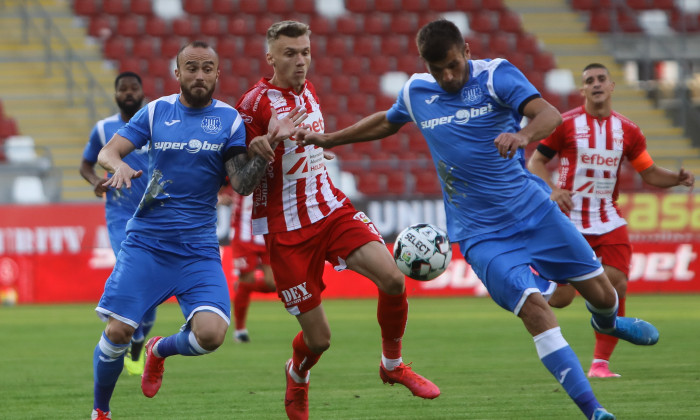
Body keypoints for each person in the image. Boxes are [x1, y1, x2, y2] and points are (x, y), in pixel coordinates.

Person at [296, 20, 661, 420]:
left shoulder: (495, 75)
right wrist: (331, 139)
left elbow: (549, 114)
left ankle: (607, 324)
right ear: (426, 65)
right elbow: (388, 120)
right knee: (536, 311)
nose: (448, 76)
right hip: (481, 235)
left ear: (466, 50)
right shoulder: (417, 91)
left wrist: (522, 136)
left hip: (534, 212)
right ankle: (594, 410)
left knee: (605, 296)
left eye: (453, 65)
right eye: (438, 70)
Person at [89, 40, 305, 420]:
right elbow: (109, 151)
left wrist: (269, 142)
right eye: (192, 68)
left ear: (218, 74)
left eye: (208, 68)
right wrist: (116, 165)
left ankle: (158, 350)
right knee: (119, 332)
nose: (200, 75)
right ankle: (101, 411)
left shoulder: (229, 120)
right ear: (178, 73)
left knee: (211, 336)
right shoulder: (156, 112)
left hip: (198, 250)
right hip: (147, 244)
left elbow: (241, 183)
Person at [235, 20, 440, 420]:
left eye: (305, 52)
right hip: (288, 230)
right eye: (290, 53)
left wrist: (314, 154)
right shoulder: (253, 104)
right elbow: (241, 183)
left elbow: (304, 148)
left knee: (394, 279)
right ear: (270, 57)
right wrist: (267, 146)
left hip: (330, 209)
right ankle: (297, 373)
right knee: (320, 340)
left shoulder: (308, 92)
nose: (300, 61)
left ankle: (392, 365)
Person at [527, 63, 695, 378]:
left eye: (601, 79)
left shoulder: (628, 131)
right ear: (583, 90)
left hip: (608, 220)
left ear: (612, 85)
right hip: (569, 221)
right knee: (562, 299)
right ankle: (531, 276)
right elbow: (536, 161)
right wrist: (552, 190)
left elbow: (649, 172)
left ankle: (600, 364)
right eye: (589, 80)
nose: (596, 84)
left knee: (615, 286)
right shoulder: (565, 124)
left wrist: (676, 178)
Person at [79, 71, 156, 377]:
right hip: (120, 214)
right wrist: (96, 180)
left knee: (150, 287)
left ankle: (136, 341)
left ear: (141, 92)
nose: (128, 93)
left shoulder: (158, 123)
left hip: (154, 214)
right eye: (122, 89)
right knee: (133, 268)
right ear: (115, 95)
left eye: (133, 88)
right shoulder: (103, 129)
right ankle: (118, 317)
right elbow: (86, 164)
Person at [219, 185, 276, 343]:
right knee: (248, 278)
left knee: (274, 284)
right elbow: (217, 178)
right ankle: (240, 330)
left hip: (266, 233)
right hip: (242, 234)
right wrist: (220, 196)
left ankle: (242, 287)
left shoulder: (272, 166)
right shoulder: (238, 164)